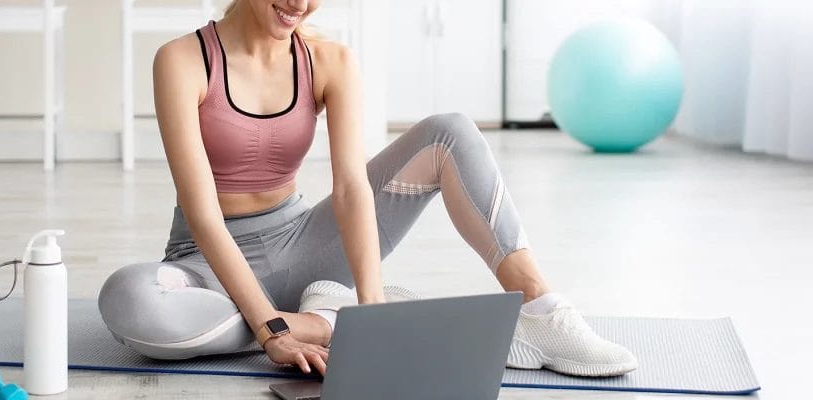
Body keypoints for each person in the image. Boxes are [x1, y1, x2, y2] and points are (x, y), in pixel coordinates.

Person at [98, 0, 637, 378]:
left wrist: (373, 307)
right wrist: (272, 333)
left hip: (306, 244)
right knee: (130, 301)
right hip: (205, 265)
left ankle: (543, 315)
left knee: (448, 132)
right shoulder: (182, 60)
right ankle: (326, 321)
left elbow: (353, 188)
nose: (302, 3)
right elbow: (203, 213)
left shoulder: (328, 61)